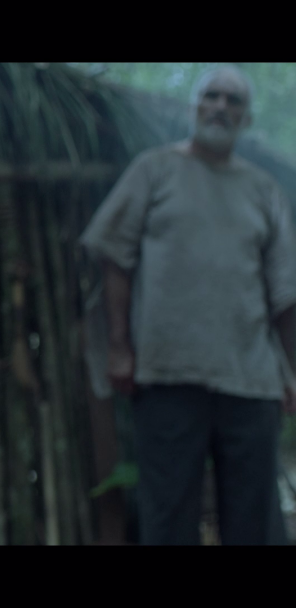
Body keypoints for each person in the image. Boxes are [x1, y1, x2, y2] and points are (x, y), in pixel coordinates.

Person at [80, 65, 296, 545]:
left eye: (233, 100)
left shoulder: (264, 190)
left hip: (251, 380)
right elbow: (114, 256)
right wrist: (119, 346)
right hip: (167, 374)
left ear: (246, 118)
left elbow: (285, 291)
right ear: (195, 107)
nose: (221, 106)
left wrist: (291, 372)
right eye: (212, 96)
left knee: (256, 524)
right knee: (169, 517)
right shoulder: (154, 169)